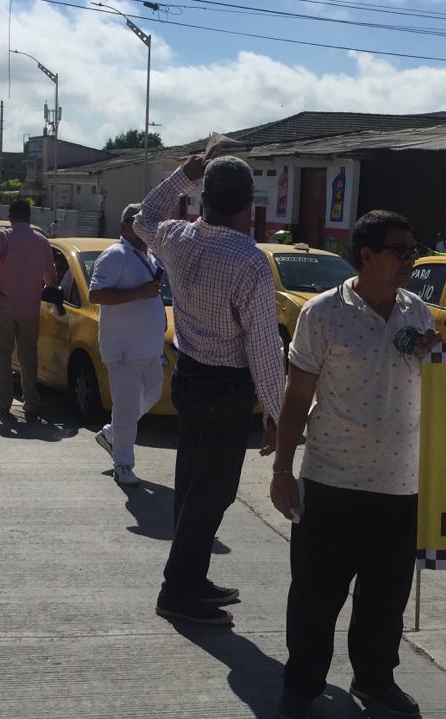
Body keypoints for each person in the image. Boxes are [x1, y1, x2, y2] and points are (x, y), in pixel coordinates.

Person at [271, 210, 439, 719]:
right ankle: (302, 684)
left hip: (400, 483)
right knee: (316, 598)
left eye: (413, 250)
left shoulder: (418, 314)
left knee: (386, 600)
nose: (411, 260)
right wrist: (281, 470)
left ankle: (374, 679)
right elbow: (297, 396)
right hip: (332, 481)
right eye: (401, 251)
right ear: (367, 256)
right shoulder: (322, 314)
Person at [134, 155, 284, 626]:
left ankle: (192, 578)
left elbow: (143, 217)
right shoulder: (250, 261)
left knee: (192, 484)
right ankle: (177, 591)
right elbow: (262, 346)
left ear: (204, 200)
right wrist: (277, 413)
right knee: (213, 492)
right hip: (227, 387)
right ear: (249, 207)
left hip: (189, 377)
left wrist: (184, 174)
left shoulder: (177, 237)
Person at [88, 203, 167, 487]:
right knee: (126, 407)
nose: (144, 227)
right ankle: (123, 463)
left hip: (149, 348)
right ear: (124, 227)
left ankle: (111, 434)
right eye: (137, 222)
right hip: (123, 349)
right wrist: (139, 293)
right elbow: (96, 294)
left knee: (153, 395)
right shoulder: (115, 255)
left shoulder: (149, 256)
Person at [0, 199, 56, 422]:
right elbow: (50, 274)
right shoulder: (42, 241)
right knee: (28, 356)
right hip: (30, 307)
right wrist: (47, 289)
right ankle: (30, 402)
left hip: (4, 303)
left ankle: (4, 401)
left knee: (2, 354)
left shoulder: (3, 237)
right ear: (30, 217)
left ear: (10, 217)